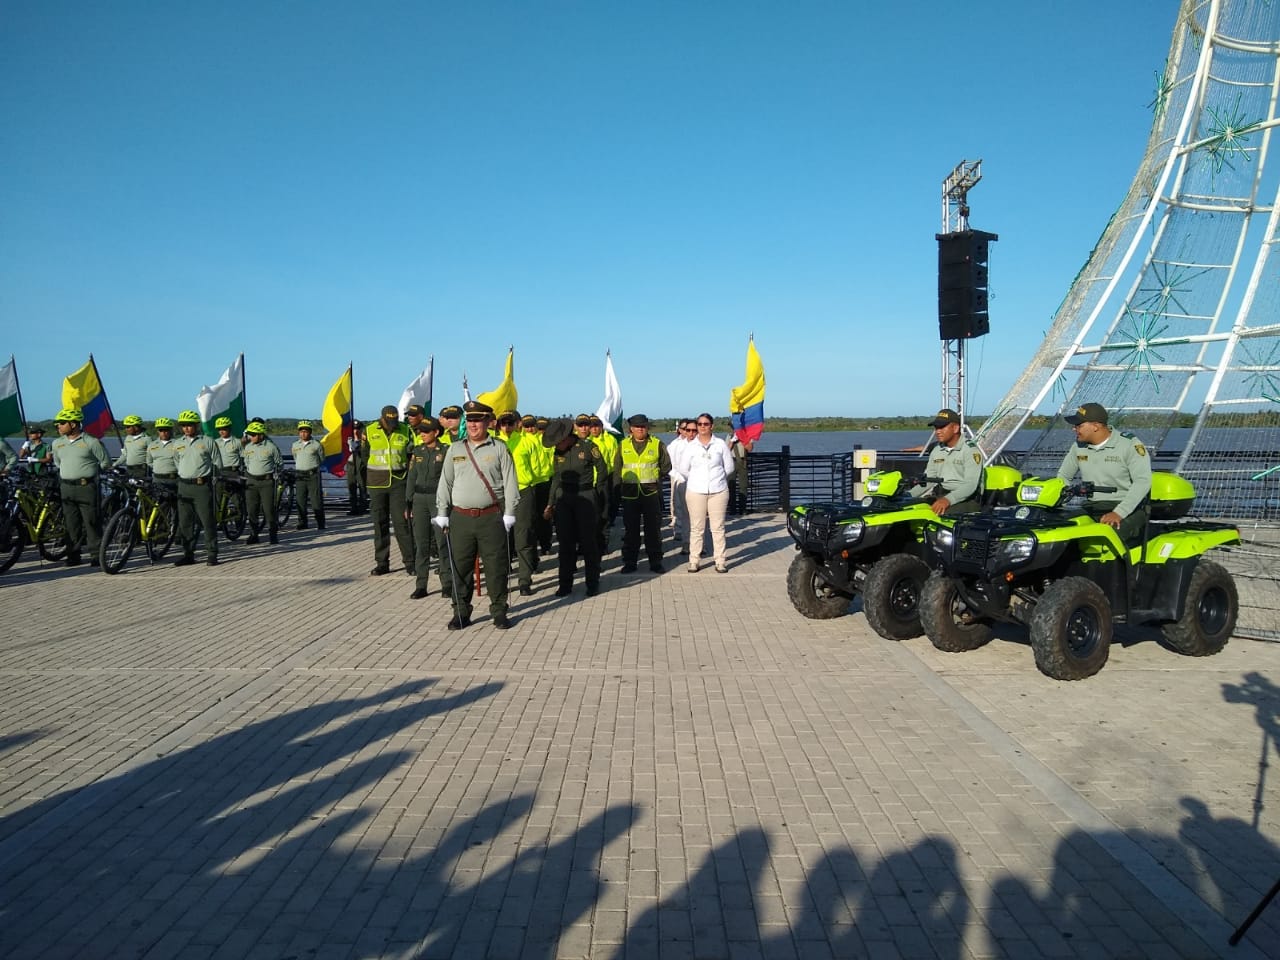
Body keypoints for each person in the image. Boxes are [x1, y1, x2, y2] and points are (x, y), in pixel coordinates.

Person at [434, 401, 519, 629]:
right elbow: (445, 482)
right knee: (460, 568)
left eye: (478, 420)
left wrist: (510, 512)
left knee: (496, 566)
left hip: (491, 516)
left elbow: (511, 482)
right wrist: (442, 511)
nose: (473, 425)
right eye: (469, 420)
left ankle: (499, 610)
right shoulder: (455, 449)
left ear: (487, 422)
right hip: (460, 518)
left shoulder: (499, 447)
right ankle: (461, 612)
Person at [1056, 402, 1153, 544]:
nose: (1074, 429)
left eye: (1079, 425)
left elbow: (1143, 481)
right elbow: (1063, 477)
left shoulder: (1129, 444)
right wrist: (1058, 501)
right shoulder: (1078, 446)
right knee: (1059, 532)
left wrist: (1118, 513)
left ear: (1095, 426)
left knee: (1105, 538)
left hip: (1126, 509)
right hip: (1091, 507)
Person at [543, 416, 608, 598]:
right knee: (565, 544)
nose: (556, 447)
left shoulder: (588, 447)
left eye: (558, 443)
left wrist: (598, 493)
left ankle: (592, 583)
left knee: (588, 543)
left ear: (566, 438)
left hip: (585, 497)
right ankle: (565, 584)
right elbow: (556, 478)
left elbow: (601, 470)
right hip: (565, 499)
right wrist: (550, 503)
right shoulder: (558, 453)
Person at [672, 413, 734, 573]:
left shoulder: (720, 444)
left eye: (706, 424)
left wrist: (716, 479)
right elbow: (683, 469)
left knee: (718, 528)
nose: (702, 427)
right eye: (700, 424)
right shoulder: (691, 447)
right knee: (697, 527)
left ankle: (720, 561)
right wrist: (697, 479)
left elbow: (729, 467)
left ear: (712, 426)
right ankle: (694, 560)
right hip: (696, 491)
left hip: (718, 491)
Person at [50, 407, 110, 567]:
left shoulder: (91, 442)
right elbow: (57, 463)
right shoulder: (57, 443)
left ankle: (96, 555)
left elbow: (105, 462)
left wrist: (91, 472)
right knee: (71, 523)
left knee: (91, 522)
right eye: (57, 424)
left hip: (86, 487)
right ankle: (73, 555)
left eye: (62, 423)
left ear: (74, 424)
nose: (58, 426)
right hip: (66, 487)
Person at [616, 414, 672, 574]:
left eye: (643, 426)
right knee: (630, 531)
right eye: (637, 427)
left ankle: (655, 561)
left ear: (647, 428)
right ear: (631, 429)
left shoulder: (657, 444)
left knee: (653, 530)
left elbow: (666, 465)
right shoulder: (623, 445)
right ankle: (630, 562)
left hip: (651, 493)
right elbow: (617, 468)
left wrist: (656, 477)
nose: (640, 429)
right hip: (629, 494)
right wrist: (616, 489)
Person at [364, 404, 415, 576]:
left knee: (402, 524)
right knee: (380, 523)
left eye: (395, 420)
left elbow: (410, 456)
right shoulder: (370, 430)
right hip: (377, 482)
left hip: (399, 481)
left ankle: (410, 562)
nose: (392, 424)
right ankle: (382, 563)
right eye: (389, 421)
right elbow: (364, 456)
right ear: (382, 418)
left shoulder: (405, 430)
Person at [908, 408, 983, 516]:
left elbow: (970, 485)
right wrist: (908, 496)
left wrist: (947, 500)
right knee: (909, 510)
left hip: (967, 500)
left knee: (934, 516)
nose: (937, 431)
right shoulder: (937, 450)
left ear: (955, 428)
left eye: (942, 427)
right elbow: (929, 480)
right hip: (943, 496)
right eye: (936, 427)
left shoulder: (970, 450)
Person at [173, 409, 225, 565]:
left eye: (189, 425)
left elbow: (217, 462)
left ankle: (212, 553)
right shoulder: (178, 443)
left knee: (207, 520)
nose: (186, 428)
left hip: (201, 486)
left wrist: (213, 479)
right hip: (183, 486)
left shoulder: (207, 441)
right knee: (185, 522)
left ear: (196, 425)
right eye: (184, 425)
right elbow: (177, 462)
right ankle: (188, 554)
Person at [406, 417, 449, 600]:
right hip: (419, 500)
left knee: (442, 543)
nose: (422, 434)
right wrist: (407, 503)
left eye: (426, 431)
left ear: (436, 432)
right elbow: (411, 477)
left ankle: (447, 583)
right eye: (420, 431)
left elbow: (449, 478)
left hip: (437, 500)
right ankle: (421, 584)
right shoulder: (417, 451)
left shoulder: (446, 451)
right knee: (421, 544)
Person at [242, 421, 283, 545]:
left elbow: (279, 463)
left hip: (267, 482)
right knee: (252, 510)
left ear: (261, 435)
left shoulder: (271, 447)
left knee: (269, 509)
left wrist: (275, 475)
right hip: (251, 482)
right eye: (250, 434)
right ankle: (254, 534)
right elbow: (246, 462)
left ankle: (273, 534)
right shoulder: (248, 447)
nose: (251, 437)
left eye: (253, 434)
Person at [291, 421, 326, 530]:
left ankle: (320, 522)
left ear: (310, 432)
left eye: (305, 431)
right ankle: (302, 522)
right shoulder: (295, 445)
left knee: (316, 500)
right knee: (300, 500)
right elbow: (295, 457)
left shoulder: (316, 444)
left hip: (313, 475)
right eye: (301, 431)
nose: (303, 434)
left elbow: (322, 459)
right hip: (300, 475)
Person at [668, 419, 694, 555]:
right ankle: (683, 537)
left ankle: (698, 544)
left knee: (697, 516)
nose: (688, 432)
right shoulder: (676, 445)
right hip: (680, 479)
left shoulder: (699, 444)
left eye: (692, 430)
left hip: (696, 483)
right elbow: (672, 463)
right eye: (685, 429)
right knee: (680, 509)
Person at [146, 417, 180, 493]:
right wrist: (160, 468)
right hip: (157, 479)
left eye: (166, 430)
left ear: (170, 430)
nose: (163, 433)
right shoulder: (152, 445)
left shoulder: (178, 443)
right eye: (161, 430)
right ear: (158, 431)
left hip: (173, 479)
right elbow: (149, 462)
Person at [346, 420, 368, 514]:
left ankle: (363, 507)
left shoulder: (364, 441)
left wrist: (357, 441)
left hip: (361, 465)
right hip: (351, 465)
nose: (356, 431)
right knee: (351, 486)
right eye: (354, 429)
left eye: (358, 429)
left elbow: (362, 451)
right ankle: (353, 507)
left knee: (362, 486)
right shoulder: (348, 440)